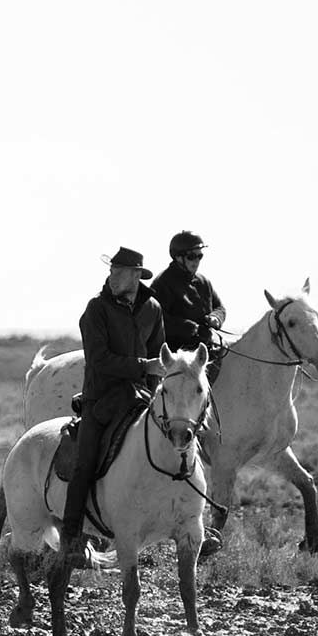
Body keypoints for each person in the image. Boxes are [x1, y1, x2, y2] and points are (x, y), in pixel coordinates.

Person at [58, 247, 167, 563]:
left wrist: (154, 390)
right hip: (101, 402)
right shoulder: (96, 310)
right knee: (85, 464)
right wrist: (142, 367)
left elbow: (160, 357)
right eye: (112, 271)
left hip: (143, 401)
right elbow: (100, 360)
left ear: (135, 275)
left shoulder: (153, 309)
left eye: (118, 271)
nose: (111, 276)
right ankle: (71, 540)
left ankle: (185, 522)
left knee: (180, 445)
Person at [151, 230, 226, 383]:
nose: (196, 260)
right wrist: (193, 329)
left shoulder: (204, 282)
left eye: (200, 256)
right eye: (191, 256)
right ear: (178, 257)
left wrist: (215, 318)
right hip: (176, 357)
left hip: (204, 350)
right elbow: (158, 319)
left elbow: (219, 307)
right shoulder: (163, 283)